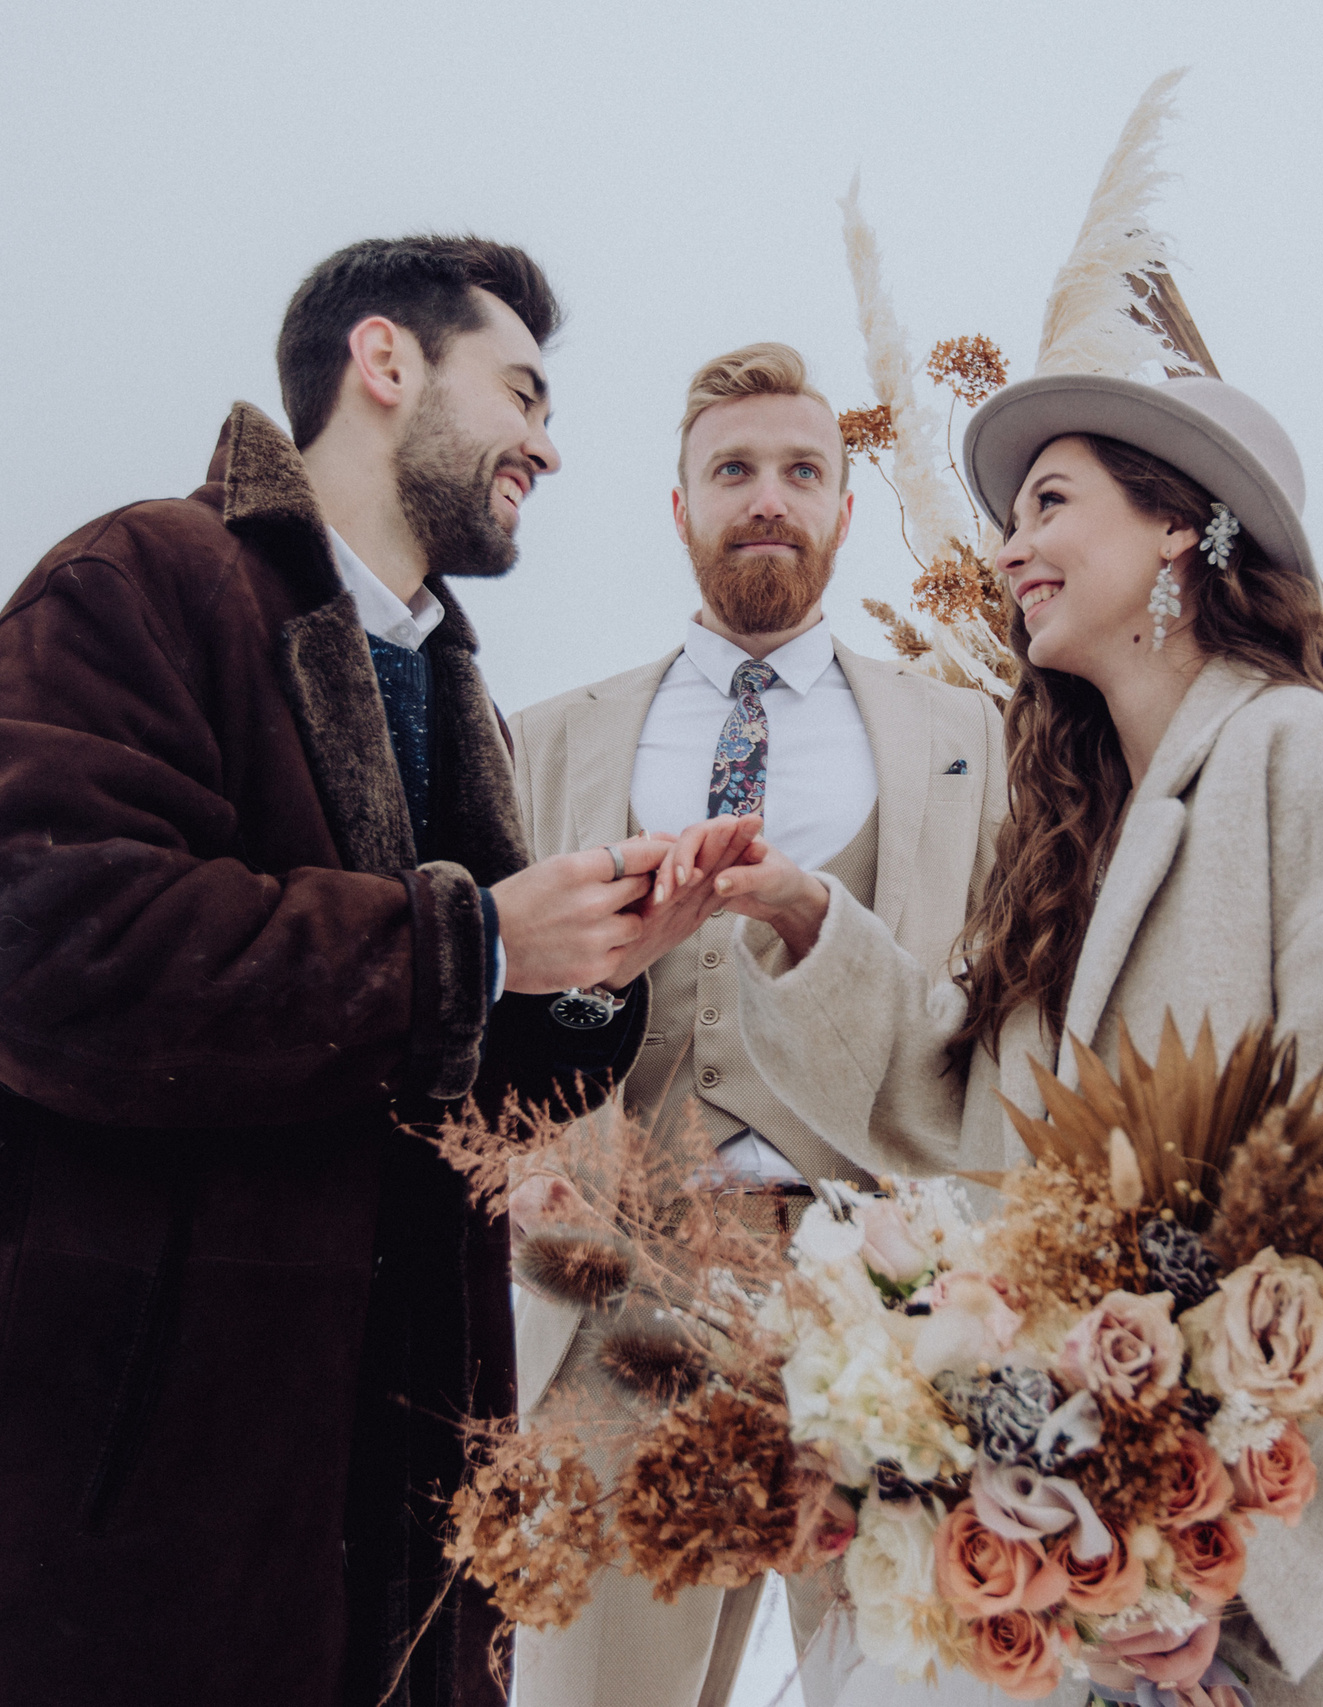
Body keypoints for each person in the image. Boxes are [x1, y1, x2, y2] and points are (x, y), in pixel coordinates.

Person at [0, 237, 756, 1707]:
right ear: (386, 364)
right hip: (104, 1534)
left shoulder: (450, 684)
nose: (550, 446)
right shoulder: (136, 582)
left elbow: (434, 1070)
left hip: (378, 1530)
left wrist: (588, 967)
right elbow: (42, 948)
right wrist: (479, 937)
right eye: (522, 390)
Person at [690, 374, 1323, 1703]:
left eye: (1050, 502)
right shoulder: (1079, 844)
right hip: (1123, 1582)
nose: (1007, 550)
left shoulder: (1303, 758)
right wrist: (811, 921)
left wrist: (1236, 1573)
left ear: (1178, 529)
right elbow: (972, 1123)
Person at [503, 344, 1005, 1707]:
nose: (767, 498)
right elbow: (487, 1026)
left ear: (845, 506)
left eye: (802, 471)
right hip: (616, 1315)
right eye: (733, 471)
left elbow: (1005, 1027)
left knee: (923, 1680)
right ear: (678, 507)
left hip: (894, 1311)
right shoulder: (543, 744)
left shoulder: (974, 739)